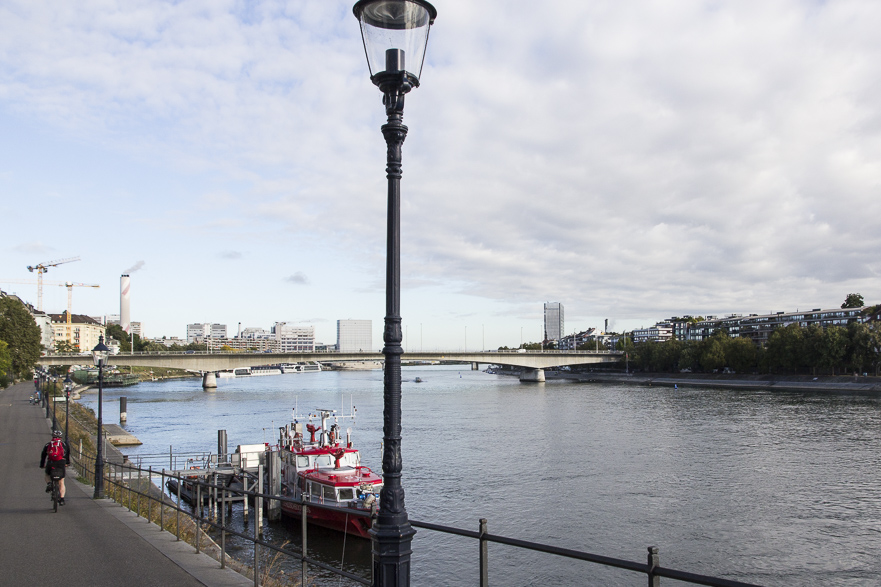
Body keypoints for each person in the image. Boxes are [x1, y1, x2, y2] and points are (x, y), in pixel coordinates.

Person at [40, 430, 70, 505]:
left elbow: (43, 455)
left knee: (47, 475)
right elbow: (67, 455)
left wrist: (42, 465)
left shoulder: (48, 445)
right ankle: (62, 499)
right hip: (61, 463)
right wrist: (67, 463)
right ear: (61, 437)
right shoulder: (64, 444)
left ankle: (49, 483)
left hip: (51, 462)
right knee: (61, 481)